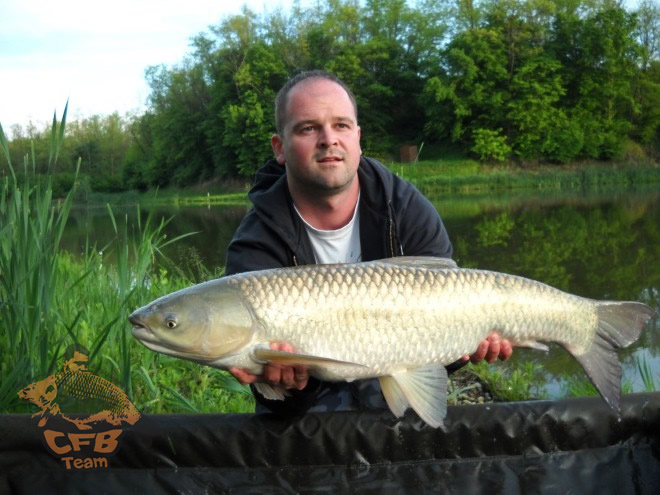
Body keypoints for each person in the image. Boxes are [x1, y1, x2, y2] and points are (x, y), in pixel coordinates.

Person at [225, 70, 512, 415]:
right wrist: (285, 384)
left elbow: (436, 349)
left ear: (358, 138)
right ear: (280, 148)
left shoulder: (407, 209)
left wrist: (463, 349)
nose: (328, 139)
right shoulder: (254, 244)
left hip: (397, 379)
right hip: (309, 408)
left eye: (341, 126)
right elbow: (275, 400)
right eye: (308, 128)